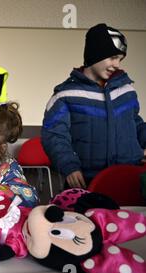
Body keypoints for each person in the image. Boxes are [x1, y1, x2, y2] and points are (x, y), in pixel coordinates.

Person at [41, 23, 146, 189]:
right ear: (95, 54)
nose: (117, 64)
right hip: (87, 182)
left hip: (129, 178)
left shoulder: (126, 90)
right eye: (112, 57)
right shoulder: (66, 94)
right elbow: (54, 135)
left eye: (120, 59)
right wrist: (69, 166)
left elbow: (136, 122)